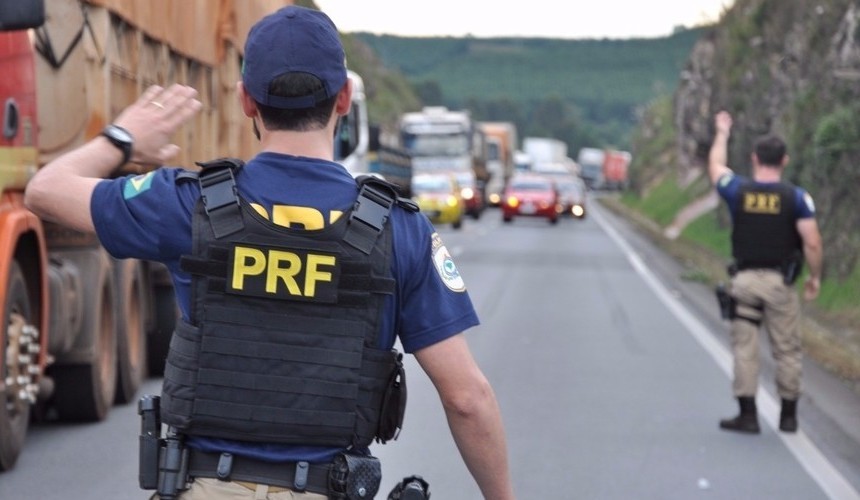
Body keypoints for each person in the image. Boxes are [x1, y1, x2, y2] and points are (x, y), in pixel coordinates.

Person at [24, 6, 515, 500]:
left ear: (246, 101)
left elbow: (45, 190)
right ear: (344, 97)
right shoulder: (398, 229)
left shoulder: (188, 203)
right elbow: (467, 398)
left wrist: (123, 137)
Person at [708, 110, 823, 434]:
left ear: (754, 158)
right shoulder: (797, 198)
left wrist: (722, 133)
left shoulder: (737, 190)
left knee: (745, 347)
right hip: (779, 283)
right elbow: (812, 243)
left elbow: (715, 168)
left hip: (743, 281)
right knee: (786, 348)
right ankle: (788, 416)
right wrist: (814, 277)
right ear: (784, 161)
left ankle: (747, 415)